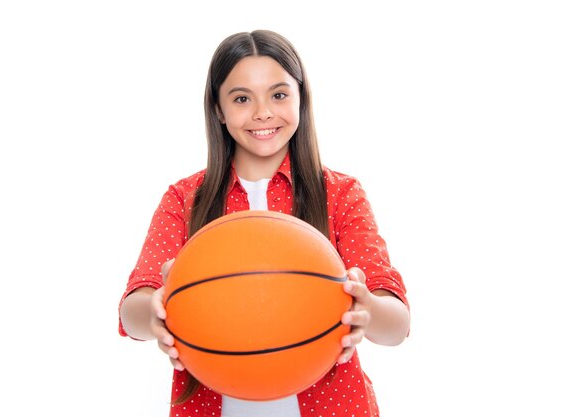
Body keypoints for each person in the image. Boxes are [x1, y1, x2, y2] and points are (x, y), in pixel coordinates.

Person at [118, 29, 410, 417]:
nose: (262, 113)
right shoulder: (184, 198)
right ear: (219, 110)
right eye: (241, 98)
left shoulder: (340, 194)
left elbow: (397, 325)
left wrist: (367, 308)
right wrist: (156, 309)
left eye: (279, 94)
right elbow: (132, 309)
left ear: (301, 99)